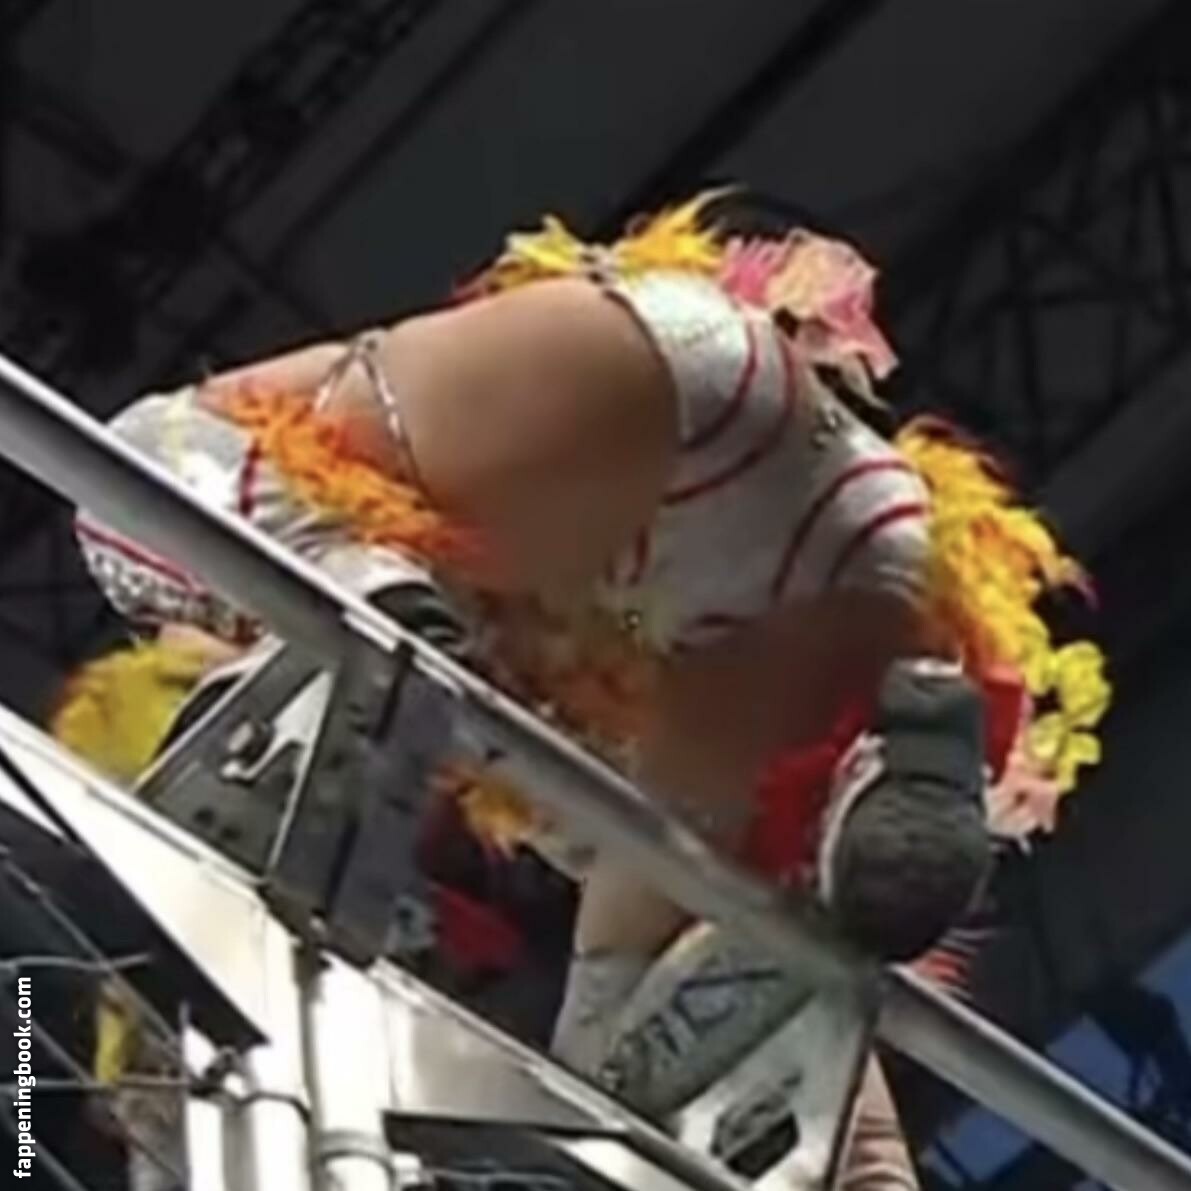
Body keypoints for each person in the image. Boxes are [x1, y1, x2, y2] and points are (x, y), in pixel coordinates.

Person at [51, 193, 1110, 1187]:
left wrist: (138, 1041)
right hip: (867, 541)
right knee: (640, 983)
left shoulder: (230, 660)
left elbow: (174, 686)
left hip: (647, 395)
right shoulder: (565, 723)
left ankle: (350, 582)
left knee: (140, 476)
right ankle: (850, 821)